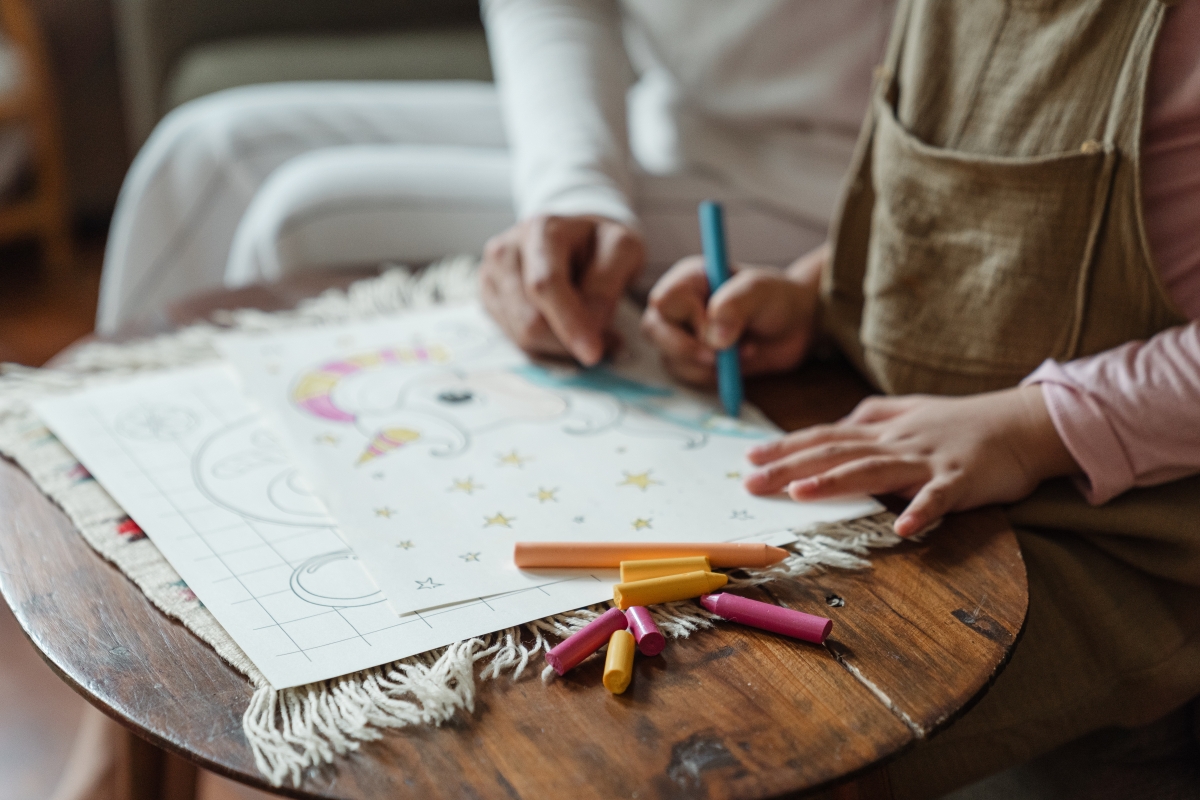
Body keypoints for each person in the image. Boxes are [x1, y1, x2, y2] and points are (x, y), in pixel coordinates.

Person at [643, 1, 1200, 796]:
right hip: (912, 452)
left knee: (772, 742)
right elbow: (950, 211)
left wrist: (1028, 428)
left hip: (1121, 532)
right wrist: (813, 298)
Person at [95, 1, 894, 336]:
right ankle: (112, 547)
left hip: (833, 180)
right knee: (205, 149)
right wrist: (575, 185)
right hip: (668, 115)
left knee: (301, 214)